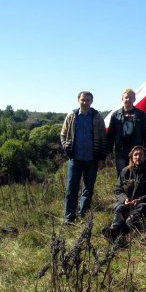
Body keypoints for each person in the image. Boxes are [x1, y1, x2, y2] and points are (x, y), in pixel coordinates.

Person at [60, 91, 107, 224]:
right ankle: (69, 217)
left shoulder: (97, 117)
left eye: (87, 100)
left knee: (88, 189)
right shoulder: (72, 115)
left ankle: (83, 215)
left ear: (91, 101)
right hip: (75, 159)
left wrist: (101, 158)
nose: (85, 102)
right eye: (83, 100)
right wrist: (68, 149)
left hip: (92, 159)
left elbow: (103, 138)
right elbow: (63, 135)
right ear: (78, 100)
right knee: (71, 188)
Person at [104, 145, 146, 241]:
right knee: (119, 208)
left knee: (140, 210)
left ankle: (119, 234)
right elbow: (118, 190)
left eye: (140, 155)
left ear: (145, 157)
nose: (138, 157)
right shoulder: (125, 171)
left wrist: (140, 199)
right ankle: (114, 230)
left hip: (142, 204)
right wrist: (124, 199)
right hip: (126, 203)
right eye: (135, 155)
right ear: (131, 157)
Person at [106, 88, 146, 175]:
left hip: (137, 150)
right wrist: (109, 151)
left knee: (138, 174)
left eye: (130, 97)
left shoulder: (141, 114)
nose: (128, 99)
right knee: (122, 175)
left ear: (134, 99)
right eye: (126, 97)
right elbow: (111, 135)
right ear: (122, 99)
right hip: (121, 151)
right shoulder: (115, 115)